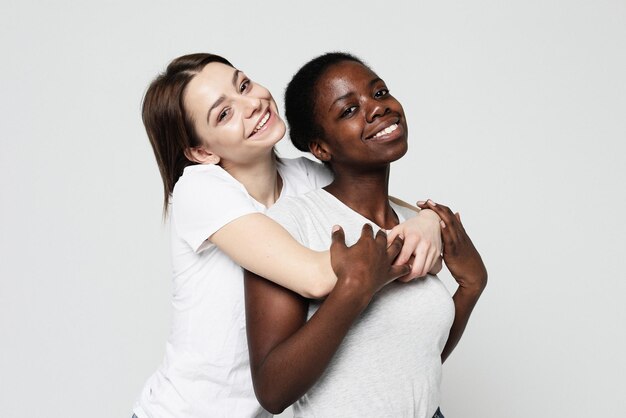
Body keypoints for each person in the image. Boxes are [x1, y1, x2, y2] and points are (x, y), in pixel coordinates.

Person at [133, 53, 446, 418]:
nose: (252, 105)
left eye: (244, 85)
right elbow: (316, 277)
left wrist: (426, 222)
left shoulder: (308, 178)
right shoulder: (199, 190)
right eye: (224, 113)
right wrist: (420, 235)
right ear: (202, 151)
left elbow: (389, 210)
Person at [245, 53, 488, 418]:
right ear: (320, 148)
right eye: (348, 110)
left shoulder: (413, 220)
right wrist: (354, 289)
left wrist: (471, 286)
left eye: (379, 92)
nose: (378, 109)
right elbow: (272, 391)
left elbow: (419, 358)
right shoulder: (291, 224)